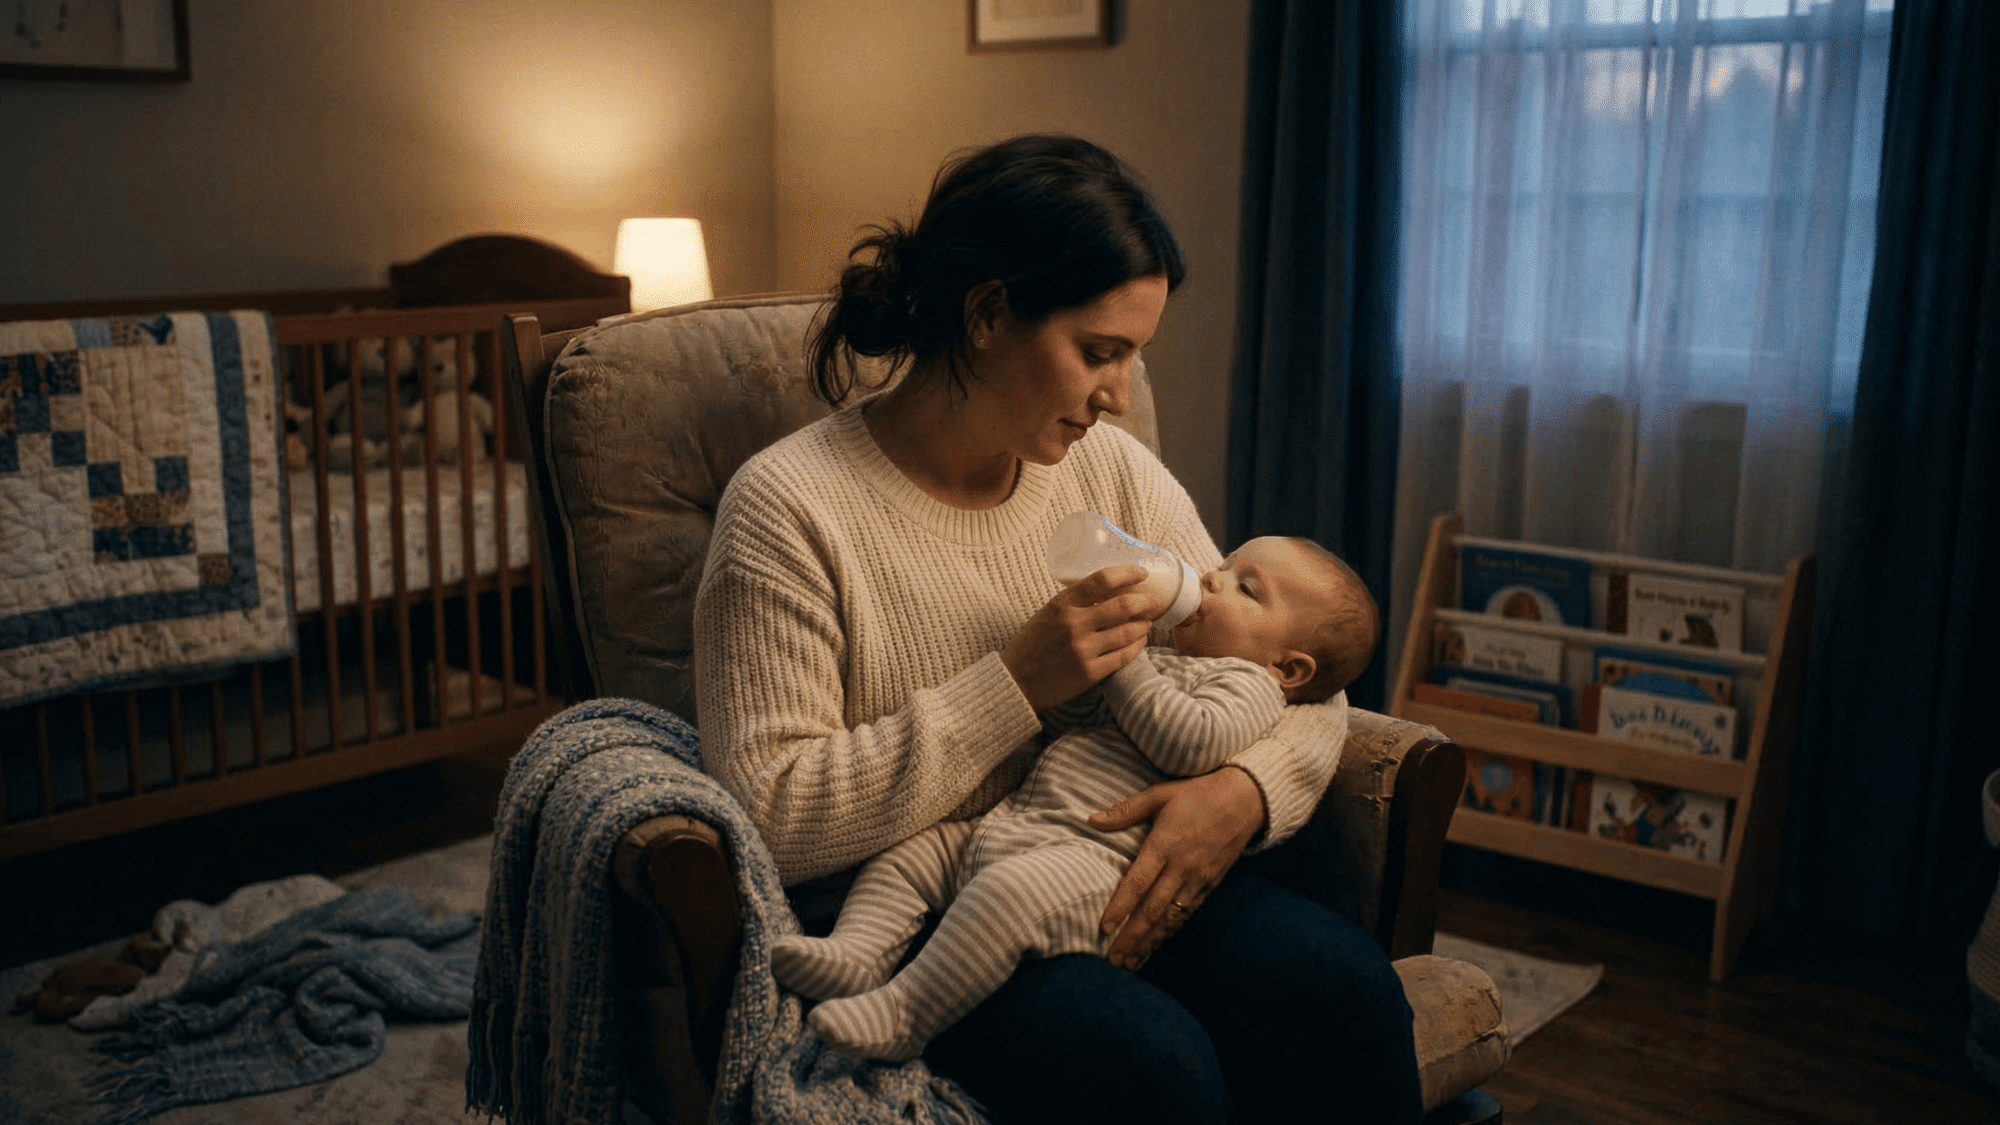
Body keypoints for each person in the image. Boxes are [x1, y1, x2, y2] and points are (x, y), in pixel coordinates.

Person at [693, 133, 1423, 1124]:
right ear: (988, 316)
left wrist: (1239, 794)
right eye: (1098, 352)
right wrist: (1011, 685)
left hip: (1107, 853)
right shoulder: (788, 509)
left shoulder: (1103, 469)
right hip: (932, 910)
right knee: (1152, 1070)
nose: (1119, 395)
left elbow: (1301, 679)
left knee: (1342, 987)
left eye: (1133, 357)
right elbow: (769, 814)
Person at [768, 535, 1380, 1062]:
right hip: (1019, 823)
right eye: (1224, 564)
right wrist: (1066, 673)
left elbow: (1191, 743)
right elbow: (1079, 718)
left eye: (1246, 589)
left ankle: (906, 1014)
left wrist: (1125, 666)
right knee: (909, 858)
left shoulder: (1247, 686)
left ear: (1288, 670)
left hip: (1093, 865)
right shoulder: (1173, 661)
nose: (1210, 578)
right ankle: (856, 954)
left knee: (1006, 899)